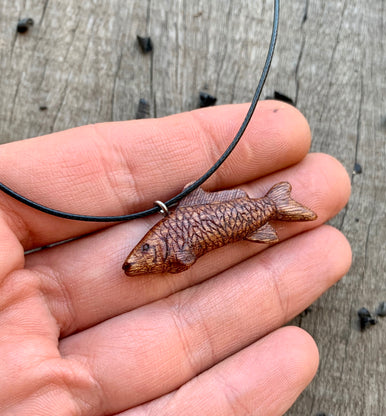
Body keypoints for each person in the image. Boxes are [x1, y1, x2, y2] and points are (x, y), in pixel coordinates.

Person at [0, 101, 351, 415]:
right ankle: (275, 205)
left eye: (144, 252)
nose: (135, 261)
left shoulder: (175, 241)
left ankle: (275, 204)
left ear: (157, 247)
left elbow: (184, 258)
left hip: (241, 218)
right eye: (142, 253)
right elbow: (183, 258)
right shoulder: (167, 243)